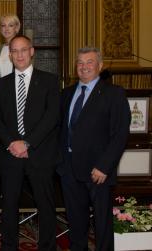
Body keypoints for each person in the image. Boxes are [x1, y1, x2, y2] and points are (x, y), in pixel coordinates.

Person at [0, 35, 60, 251]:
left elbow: (52, 116)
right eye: (14, 51)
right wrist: (13, 143)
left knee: (45, 205)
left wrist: (27, 143)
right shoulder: (1, 85)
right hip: (11, 154)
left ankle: (47, 247)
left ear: (31, 52)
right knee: (9, 206)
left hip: (39, 153)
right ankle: (9, 246)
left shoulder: (49, 81)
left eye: (23, 50)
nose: (19, 55)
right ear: (9, 55)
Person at [58, 47, 130, 251]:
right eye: (80, 62)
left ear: (100, 66)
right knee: (75, 221)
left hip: (98, 171)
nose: (84, 67)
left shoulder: (114, 94)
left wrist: (104, 166)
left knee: (102, 223)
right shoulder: (67, 93)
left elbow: (120, 134)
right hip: (69, 169)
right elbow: (60, 129)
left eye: (89, 62)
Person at [0, 15, 21, 169]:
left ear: (17, 28)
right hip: (2, 101)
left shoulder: (24, 47)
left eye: (10, 25)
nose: (6, 29)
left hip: (20, 100)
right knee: (0, 141)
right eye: (3, 25)